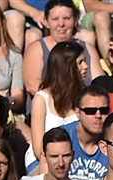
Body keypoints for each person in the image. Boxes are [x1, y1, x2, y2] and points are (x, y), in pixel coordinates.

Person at [26, 41, 85, 170]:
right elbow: (38, 149)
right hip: (43, 160)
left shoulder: (85, 98)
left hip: (77, 160)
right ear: (66, 67)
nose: (85, 66)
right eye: (80, 63)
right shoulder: (42, 99)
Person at [21, 0, 97, 97]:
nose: (61, 24)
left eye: (66, 18)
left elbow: (99, 82)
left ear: (76, 20)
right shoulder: (37, 48)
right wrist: (68, 96)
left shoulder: (87, 48)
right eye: (55, 19)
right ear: (46, 22)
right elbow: (32, 85)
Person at [64, 85, 110, 180]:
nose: (98, 116)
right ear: (77, 112)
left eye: (104, 110)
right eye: (90, 111)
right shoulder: (60, 137)